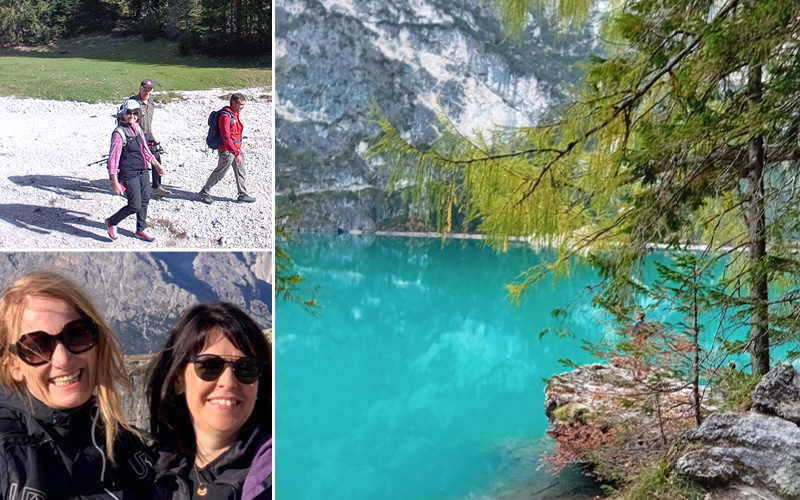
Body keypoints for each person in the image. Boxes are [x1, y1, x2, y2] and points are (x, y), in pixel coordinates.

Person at [0, 271, 155, 498]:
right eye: (37, 346)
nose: (63, 360)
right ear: (14, 365)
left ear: (96, 341)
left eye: (76, 335)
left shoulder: (124, 443)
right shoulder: (7, 450)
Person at [148, 302, 271, 500]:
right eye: (210, 366)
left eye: (246, 368)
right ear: (178, 380)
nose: (229, 382)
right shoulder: (148, 475)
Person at [104, 99, 165, 243]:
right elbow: (113, 160)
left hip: (143, 170)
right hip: (129, 173)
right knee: (135, 204)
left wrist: (156, 164)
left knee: (146, 198)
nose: (132, 116)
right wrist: (114, 182)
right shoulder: (119, 134)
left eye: (135, 113)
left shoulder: (137, 128)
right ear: (123, 115)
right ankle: (112, 222)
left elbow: (145, 149)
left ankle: (140, 230)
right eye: (129, 113)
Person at [198, 93, 256, 204]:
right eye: (241, 104)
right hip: (227, 150)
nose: (243, 107)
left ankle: (242, 194)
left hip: (236, 149)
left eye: (244, 104)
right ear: (233, 103)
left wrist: (237, 151)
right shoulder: (225, 116)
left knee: (240, 170)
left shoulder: (235, 113)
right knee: (220, 172)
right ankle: (204, 191)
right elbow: (226, 137)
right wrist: (235, 152)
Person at [129, 78, 169, 197]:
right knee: (140, 161)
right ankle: (136, 187)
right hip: (135, 135)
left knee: (156, 156)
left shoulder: (151, 104)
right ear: (140, 89)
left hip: (148, 134)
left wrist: (152, 134)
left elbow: (149, 122)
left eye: (149, 90)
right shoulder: (133, 103)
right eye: (145, 89)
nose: (147, 92)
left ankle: (156, 186)